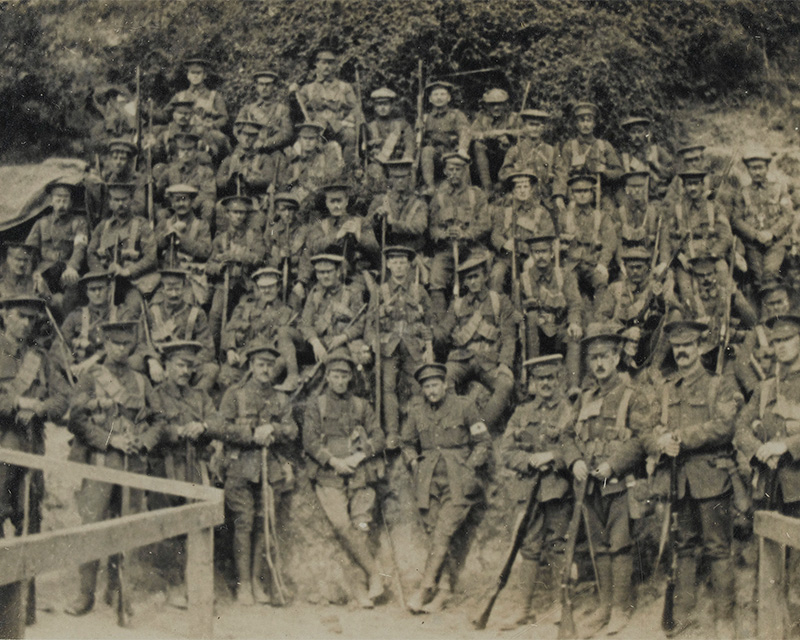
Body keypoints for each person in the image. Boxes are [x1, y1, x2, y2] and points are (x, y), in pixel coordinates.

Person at [644, 319, 742, 639]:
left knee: (717, 548)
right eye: (677, 346)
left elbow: (724, 426)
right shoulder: (666, 388)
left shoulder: (719, 384)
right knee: (683, 546)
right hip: (678, 480)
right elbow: (651, 425)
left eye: (688, 346)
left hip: (711, 477)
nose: (682, 351)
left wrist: (682, 437)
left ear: (700, 347)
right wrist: (660, 440)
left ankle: (725, 617)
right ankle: (683, 613)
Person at [64, 320, 165, 618]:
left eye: (126, 344)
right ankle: (85, 594)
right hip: (100, 461)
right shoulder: (91, 377)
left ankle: (119, 590)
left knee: (127, 526)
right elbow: (76, 420)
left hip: (133, 462)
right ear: (105, 344)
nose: (121, 349)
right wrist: (111, 440)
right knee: (92, 526)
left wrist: (144, 442)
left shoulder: (141, 381)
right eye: (115, 344)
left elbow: (159, 418)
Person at [562, 322, 651, 636]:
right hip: (588, 484)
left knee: (620, 545)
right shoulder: (584, 398)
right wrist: (573, 461)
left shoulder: (631, 395)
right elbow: (567, 436)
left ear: (617, 358)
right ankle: (604, 606)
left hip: (617, 483)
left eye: (605, 356)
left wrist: (613, 464)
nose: (598, 363)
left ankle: (621, 608)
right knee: (598, 546)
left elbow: (641, 439)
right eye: (593, 357)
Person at [208, 340, 298, 605]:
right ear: (251, 365)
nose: (266, 370)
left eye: (270, 365)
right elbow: (219, 427)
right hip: (239, 467)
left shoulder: (280, 398)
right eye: (261, 364)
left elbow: (292, 430)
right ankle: (243, 585)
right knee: (244, 523)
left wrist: (274, 430)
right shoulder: (235, 394)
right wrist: (250, 435)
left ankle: (258, 583)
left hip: (269, 469)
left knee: (264, 524)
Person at [401, 363, 491, 613]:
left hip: (458, 482)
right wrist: (412, 460)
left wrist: (470, 467)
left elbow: (483, 443)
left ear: (445, 385)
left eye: (434, 385)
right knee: (437, 537)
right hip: (428, 483)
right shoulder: (417, 412)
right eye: (426, 387)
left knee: (442, 533)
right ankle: (444, 592)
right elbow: (406, 443)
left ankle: (425, 588)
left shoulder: (464, 406)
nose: (431, 391)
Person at [302, 348, 386, 608]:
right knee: (341, 526)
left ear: (351, 377)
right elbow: (310, 440)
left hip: (359, 475)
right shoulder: (316, 405)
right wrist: (335, 461)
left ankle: (363, 589)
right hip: (329, 475)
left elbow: (379, 436)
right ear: (327, 377)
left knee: (360, 526)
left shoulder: (361, 405)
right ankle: (374, 574)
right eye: (336, 375)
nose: (340, 381)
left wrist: (359, 457)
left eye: (345, 376)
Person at [498, 354, 574, 628]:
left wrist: (552, 456)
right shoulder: (521, 413)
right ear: (532, 383)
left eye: (550, 378)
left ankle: (559, 605)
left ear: (558, 380)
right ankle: (523, 608)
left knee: (557, 545)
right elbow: (506, 451)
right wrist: (529, 460)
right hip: (529, 489)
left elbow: (575, 449)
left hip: (556, 489)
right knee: (528, 547)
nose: (545, 384)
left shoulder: (568, 411)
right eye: (540, 379)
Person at [149, 340, 215, 609]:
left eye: (189, 366)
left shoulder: (199, 396)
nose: (185, 371)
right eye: (180, 365)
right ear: (166, 366)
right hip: (165, 466)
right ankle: (172, 584)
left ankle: (196, 584)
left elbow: (217, 419)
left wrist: (203, 426)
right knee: (167, 525)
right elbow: (155, 425)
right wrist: (178, 431)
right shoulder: (156, 395)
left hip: (194, 465)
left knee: (197, 523)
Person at [436, 253, 516, 431]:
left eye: (476, 276)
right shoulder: (457, 305)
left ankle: (481, 427)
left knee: (506, 384)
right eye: (468, 278)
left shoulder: (499, 302)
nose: (472, 282)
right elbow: (443, 330)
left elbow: (509, 336)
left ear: (486, 277)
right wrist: (431, 334)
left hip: (488, 360)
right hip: (461, 359)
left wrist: (505, 363)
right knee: (443, 381)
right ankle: (453, 425)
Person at [363, 245, 433, 448]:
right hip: (388, 347)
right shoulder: (380, 291)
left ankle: (414, 431)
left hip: (413, 346)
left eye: (403, 262)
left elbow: (430, 322)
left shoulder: (419, 291)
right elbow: (370, 323)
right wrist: (371, 344)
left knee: (419, 386)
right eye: (394, 262)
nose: (399, 266)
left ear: (409, 265)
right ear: (388, 264)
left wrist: (429, 347)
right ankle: (392, 432)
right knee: (388, 387)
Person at [428, 152, 491, 313]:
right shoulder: (439, 198)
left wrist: (465, 234)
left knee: (477, 277)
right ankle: (441, 326)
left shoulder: (476, 195)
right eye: (450, 170)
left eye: (458, 169)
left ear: (465, 171)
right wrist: (445, 234)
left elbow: (484, 224)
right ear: (445, 172)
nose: (454, 173)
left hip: (472, 249)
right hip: (447, 250)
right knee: (436, 277)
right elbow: (432, 228)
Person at [520, 235, 583, 391]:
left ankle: (573, 385)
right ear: (531, 255)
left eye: (544, 251)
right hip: (535, 334)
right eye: (536, 252)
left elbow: (575, 303)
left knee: (574, 335)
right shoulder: (524, 279)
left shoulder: (564, 276)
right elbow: (516, 310)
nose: (540, 256)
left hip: (559, 328)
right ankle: (533, 380)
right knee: (533, 317)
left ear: (552, 253)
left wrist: (574, 322)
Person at [221, 267, 300, 391]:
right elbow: (229, 329)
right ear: (257, 288)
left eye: (271, 286)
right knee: (226, 378)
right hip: (244, 357)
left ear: (278, 287)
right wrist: (230, 349)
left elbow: (289, 343)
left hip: (270, 360)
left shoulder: (288, 312)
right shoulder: (245, 307)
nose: (267, 290)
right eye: (263, 287)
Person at [206, 196, 267, 348]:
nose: (239, 216)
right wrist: (219, 267)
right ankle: (214, 351)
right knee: (215, 314)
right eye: (235, 212)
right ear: (227, 214)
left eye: (242, 213)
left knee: (246, 316)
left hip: (246, 284)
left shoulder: (253, 236)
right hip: (225, 283)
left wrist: (238, 256)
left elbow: (259, 258)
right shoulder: (220, 239)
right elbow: (209, 266)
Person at [144, 269, 218, 392]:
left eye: (178, 289)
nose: (174, 294)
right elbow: (143, 342)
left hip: (188, 367)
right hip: (161, 368)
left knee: (211, 370)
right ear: (162, 289)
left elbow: (207, 349)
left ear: (184, 288)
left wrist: (186, 365)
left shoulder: (196, 313)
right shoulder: (152, 312)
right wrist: (152, 361)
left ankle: (193, 403)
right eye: (169, 289)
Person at [87, 181, 159, 305]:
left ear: (131, 200)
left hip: (132, 283)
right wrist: (101, 273)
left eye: (124, 200)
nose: (120, 204)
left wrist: (128, 271)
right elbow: (90, 253)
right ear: (110, 202)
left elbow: (151, 258)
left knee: (134, 306)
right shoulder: (103, 226)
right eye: (116, 200)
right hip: (106, 283)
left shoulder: (142, 225)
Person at [731, 146, 794, 286]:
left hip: (776, 243)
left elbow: (788, 216)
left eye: (760, 167)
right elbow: (736, 220)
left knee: (770, 273)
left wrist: (771, 233)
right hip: (753, 245)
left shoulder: (779, 188)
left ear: (767, 168)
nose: (757, 172)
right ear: (748, 170)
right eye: (753, 168)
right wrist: (755, 234)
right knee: (758, 278)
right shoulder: (742, 192)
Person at [25, 179, 88, 316]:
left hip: (66, 270)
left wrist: (72, 267)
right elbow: (30, 252)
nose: (62, 205)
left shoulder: (79, 223)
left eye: (65, 201)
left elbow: (80, 248)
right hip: (44, 271)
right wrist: (32, 273)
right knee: (37, 294)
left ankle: (66, 323)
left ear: (71, 203)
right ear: (51, 202)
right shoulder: (41, 224)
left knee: (72, 291)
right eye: (58, 200)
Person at [489, 169, 556, 293]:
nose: (522, 190)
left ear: (531, 189)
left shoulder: (541, 212)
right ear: (513, 190)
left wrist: (534, 255)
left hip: (531, 257)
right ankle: (497, 307)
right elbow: (495, 234)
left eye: (526, 186)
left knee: (532, 271)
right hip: (507, 258)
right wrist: (504, 244)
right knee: (496, 274)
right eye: (518, 187)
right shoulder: (504, 211)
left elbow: (548, 236)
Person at [296, 49, 362, 168]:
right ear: (316, 64)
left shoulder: (344, 87)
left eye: (330, 63)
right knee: (307, 138)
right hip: (317, 128)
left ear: (335, 66)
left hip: (339, 127)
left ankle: (346, 173)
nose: (327, 66)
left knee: (351, 135)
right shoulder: (308, 89)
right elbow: (297, 110)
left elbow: (355, 109)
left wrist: (350, 120)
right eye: (323, 63)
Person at [559, 173, 617, 306]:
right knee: (570, 285)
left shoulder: (601, 217)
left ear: (592, 193)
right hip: (571, 264)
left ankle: (600, 318)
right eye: (578, 191)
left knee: (601, 281)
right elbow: (556, 242)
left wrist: (603, 263)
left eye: (585, 191)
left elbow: (610, 242)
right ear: (572, 194)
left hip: (593, 263)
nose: (582, 195)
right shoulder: (564, 217)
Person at [300, 253, 368, 366]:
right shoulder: (315, 294)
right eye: (321, 272)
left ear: (337, 272)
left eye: (329, 271)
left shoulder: (352, 293)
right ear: (316, 275)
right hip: (319, 343)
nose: (325, 276)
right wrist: (315, 342)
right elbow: (305, 323)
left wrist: (344, 337)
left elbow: (360, 324)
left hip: (341, 343)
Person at [553, 102, 623, 212]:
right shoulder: (569, 146)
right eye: (582, 120)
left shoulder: (604, 145)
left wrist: (604, 171)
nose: (585, 124)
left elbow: (619, 172)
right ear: (576, 124)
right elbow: (562, 173)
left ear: (594, 123)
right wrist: (559, 195)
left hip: (600, 195)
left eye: (589, 120)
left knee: (610, 215)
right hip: (576, 195)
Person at [154, 184, 213, 304]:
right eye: (176, 200)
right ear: (171, 203)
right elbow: (154, 248)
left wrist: (181, 238)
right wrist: (166, 236)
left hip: (191, 279)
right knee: (155, 304)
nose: (181, 204)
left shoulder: (201, 225)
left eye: (184, 199)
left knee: (187, 302)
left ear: (191, 202)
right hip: (167, 278)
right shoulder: (164, 224)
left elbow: (205, 251)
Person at [216, 116, 285, 206]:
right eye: (244, 134)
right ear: (238, 136)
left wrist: (249, 178)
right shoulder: (230, 160)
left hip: (254, 202)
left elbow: (268, 179)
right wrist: (230, 179)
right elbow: (219, 182)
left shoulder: (264, 159)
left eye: (251, 135)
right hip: (233, 202)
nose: (247, 139)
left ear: (257, 137)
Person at [367, 159, 429, 256]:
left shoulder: (419, 202)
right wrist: (376, 217)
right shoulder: (380, 200)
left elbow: (419, 227)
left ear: (409, 177)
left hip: (412, 254)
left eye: (403, 177)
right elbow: (367, 224)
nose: (400, 181)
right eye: (396, 177)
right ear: (390, 179)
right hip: (387, 253)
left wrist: (393, 224)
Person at [154, 133, 217, 225]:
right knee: (161, 214)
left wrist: (189, 205)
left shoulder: (205, 172)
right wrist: (154, 187)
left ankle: (203, 234)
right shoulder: (170, 171)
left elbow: (209, 194)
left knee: (209, 205)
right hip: (175, 210)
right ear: (178, 152)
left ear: (195, 151)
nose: (186, 153)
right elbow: (158, 193)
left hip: (195, 212)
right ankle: (167, 237)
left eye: (189, 149)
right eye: (182, 150)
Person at [420, 81, 470, 195]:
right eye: (435, 95)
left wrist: (462, 149)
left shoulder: (456, 115)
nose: (439, 98)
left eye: (442, 94)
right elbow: (418, 141)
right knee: (426, 151)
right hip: (435, 155)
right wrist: (418, 129)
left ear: (449, 98)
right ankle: (430, 187)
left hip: (452, 152)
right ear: (430, 99)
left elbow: (465, 131)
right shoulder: (425, 118)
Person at [499, 109, 557, 205]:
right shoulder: (515, 150)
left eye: (538, 125)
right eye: (531, 125)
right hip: (521, 198)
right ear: (524, 127)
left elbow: (561, 175)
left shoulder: (551, 150)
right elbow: (503, 174)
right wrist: (516, 171)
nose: (534, 129)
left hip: (546, 200)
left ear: (543, 128)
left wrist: (558, 195)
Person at [470, 88, 521, 194]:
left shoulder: (514, 118)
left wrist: (507, 134)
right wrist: (487, 135)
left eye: (500, 104)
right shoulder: (481, 118)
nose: (496, 108)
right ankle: (487, 187)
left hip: (507, 156)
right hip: (487, 159)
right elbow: (471, 134)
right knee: (478, 146)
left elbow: (523, 133)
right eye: (492, 105)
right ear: (487, 106)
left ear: (506, 105)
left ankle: (505, 186)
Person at [284, 121, 345, 210]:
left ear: (317, 140)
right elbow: (286, 184)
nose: (308, 142)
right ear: (300, 140)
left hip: (320, 202)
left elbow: (332, 178)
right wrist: (292, 182)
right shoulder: (295, 162)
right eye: (305, 138)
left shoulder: (324, 158)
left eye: (311, 138)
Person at [364, 88, 415, 188]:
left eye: (386, 104)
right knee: (375, 172)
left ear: (391, 106)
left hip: (399, 163)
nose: (382, 108)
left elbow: (410, 145)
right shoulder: (369, 127)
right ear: (375, 107)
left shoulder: (402, 125)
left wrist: (406, 158)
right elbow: (365, 151)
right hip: (379, 164)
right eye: (379, 104)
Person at [617, 115, 674, 201]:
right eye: (633, 132)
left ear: (646, 133)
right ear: (628, 135)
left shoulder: (656, 150)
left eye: (640, 131)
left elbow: (673, 172)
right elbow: (619, 182)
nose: (637, 136)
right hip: (634, 199)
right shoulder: (625, 157)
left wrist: (656, 164)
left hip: (656, 198)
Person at [237, 70, 293, 155]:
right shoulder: (248, 108)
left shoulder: (282, 109)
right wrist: (248, 141)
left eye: (268, 84)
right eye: (261, 84)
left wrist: (267, 143)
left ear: (274, 87)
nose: (264, 88)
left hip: (271, 151)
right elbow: (237, 128)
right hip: (249, 148)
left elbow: (286, 133)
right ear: (256, 86)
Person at [169, 57, 228, 132]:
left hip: (205, 133)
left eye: (198, 73)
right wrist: (152, 112)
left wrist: (213, 124)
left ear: (205, 75)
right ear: (188, 75)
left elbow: (224, 118)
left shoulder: (214, 96)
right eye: (192, 73)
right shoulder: (180, 96)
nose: (195, 76)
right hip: (183, 135)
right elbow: (165, 114)